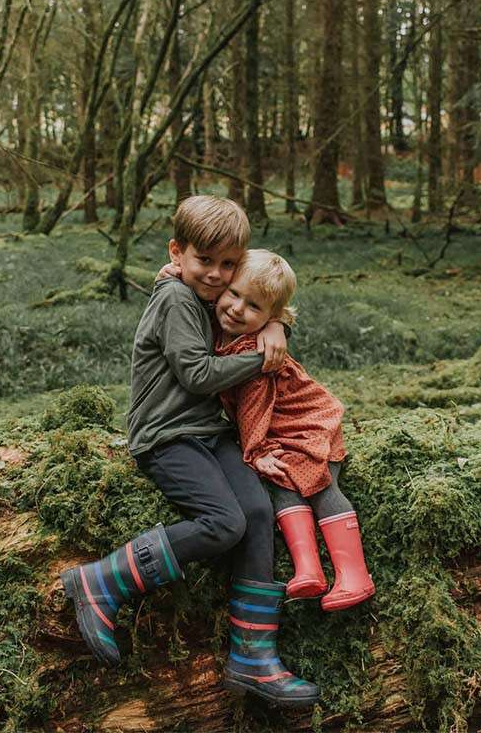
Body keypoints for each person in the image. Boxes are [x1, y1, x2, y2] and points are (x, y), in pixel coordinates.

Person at [61, 196, 320, 707]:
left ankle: (254, 656)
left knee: (256, 510)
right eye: (206, 261)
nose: (218, 276)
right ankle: (101, 579)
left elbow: (255, 303)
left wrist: (276, 325)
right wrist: (263, 360)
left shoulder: (200, 290)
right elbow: (198, 374)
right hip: (166, 435)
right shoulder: (177, 299)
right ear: (177, 252)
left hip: (209, 431)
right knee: (224, 522)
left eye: (229, 264)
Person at [214, 249, 375, 613]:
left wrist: (254, 452)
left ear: (270, 317)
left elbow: (254, 406)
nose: (237, 309)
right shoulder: (225, 328)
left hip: (308, 421)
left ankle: (354, 574)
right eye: (234, 294)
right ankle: (308, 571)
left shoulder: (256, 355)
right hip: (278, 427)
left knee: (319, 484)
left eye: (253, 307)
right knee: (284, 483)